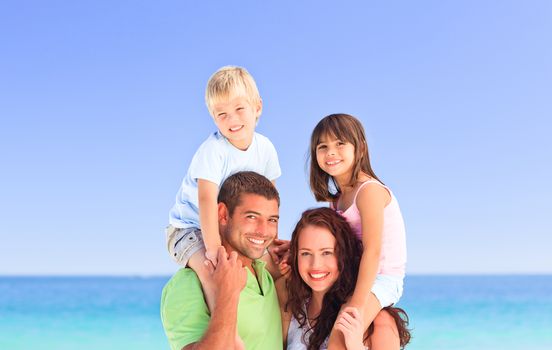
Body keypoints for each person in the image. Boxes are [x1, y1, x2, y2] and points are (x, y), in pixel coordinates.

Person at [166, 66, 282, 313]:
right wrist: (215, 251)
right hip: (190, 229)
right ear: (213, 117)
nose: (232, 119)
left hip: (228, 228)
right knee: (214, 276)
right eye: (222, 114)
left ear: (257, 107)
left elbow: (270, 201)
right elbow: (207, 201)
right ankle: (225, 331)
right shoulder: (213, 151)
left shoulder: (266, 149)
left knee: (276, 270)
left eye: (239, 109)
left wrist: (269, 241)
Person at [308, 114, 407, 349]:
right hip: (355, 275)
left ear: (360, 148)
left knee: (341, 334)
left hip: (382, 278)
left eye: (340, 144)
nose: (331, 152)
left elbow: (373, 252)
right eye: (323, 147)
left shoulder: (369, 191)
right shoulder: (338, 200)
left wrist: (356, 304)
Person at [161, 171, 283, 350]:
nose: (263, 231)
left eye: (272, 220)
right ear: (223, 214)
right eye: (251, 217)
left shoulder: (266, 275)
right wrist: (227, 294)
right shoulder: (189, 283)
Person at [279, 208, 410, 350]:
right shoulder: (293, 311)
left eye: (327, 252)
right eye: (305, 253)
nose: (315, 265)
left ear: (344, 254)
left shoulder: (379, 321)